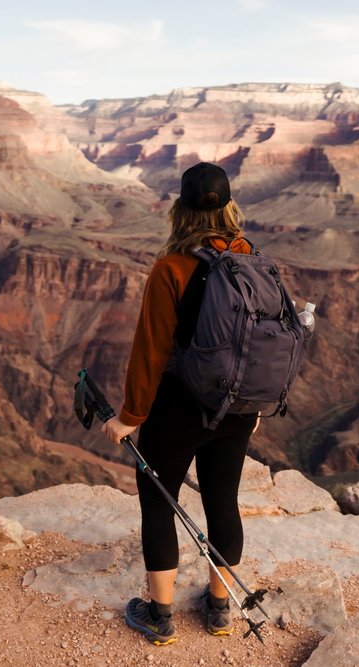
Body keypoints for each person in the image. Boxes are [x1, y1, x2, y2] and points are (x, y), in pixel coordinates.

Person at [101, 162, 260, 646]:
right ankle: (218, 609)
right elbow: (264, 342)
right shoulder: (252, 260)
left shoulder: (171, 268)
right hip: (235, 407)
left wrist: (130, 417)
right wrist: (252, 410)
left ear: (180, 212)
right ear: (231, 207)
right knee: (222, 502)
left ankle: (160, 616)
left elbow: (149, 352)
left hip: (178, 411)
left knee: (158, 504)